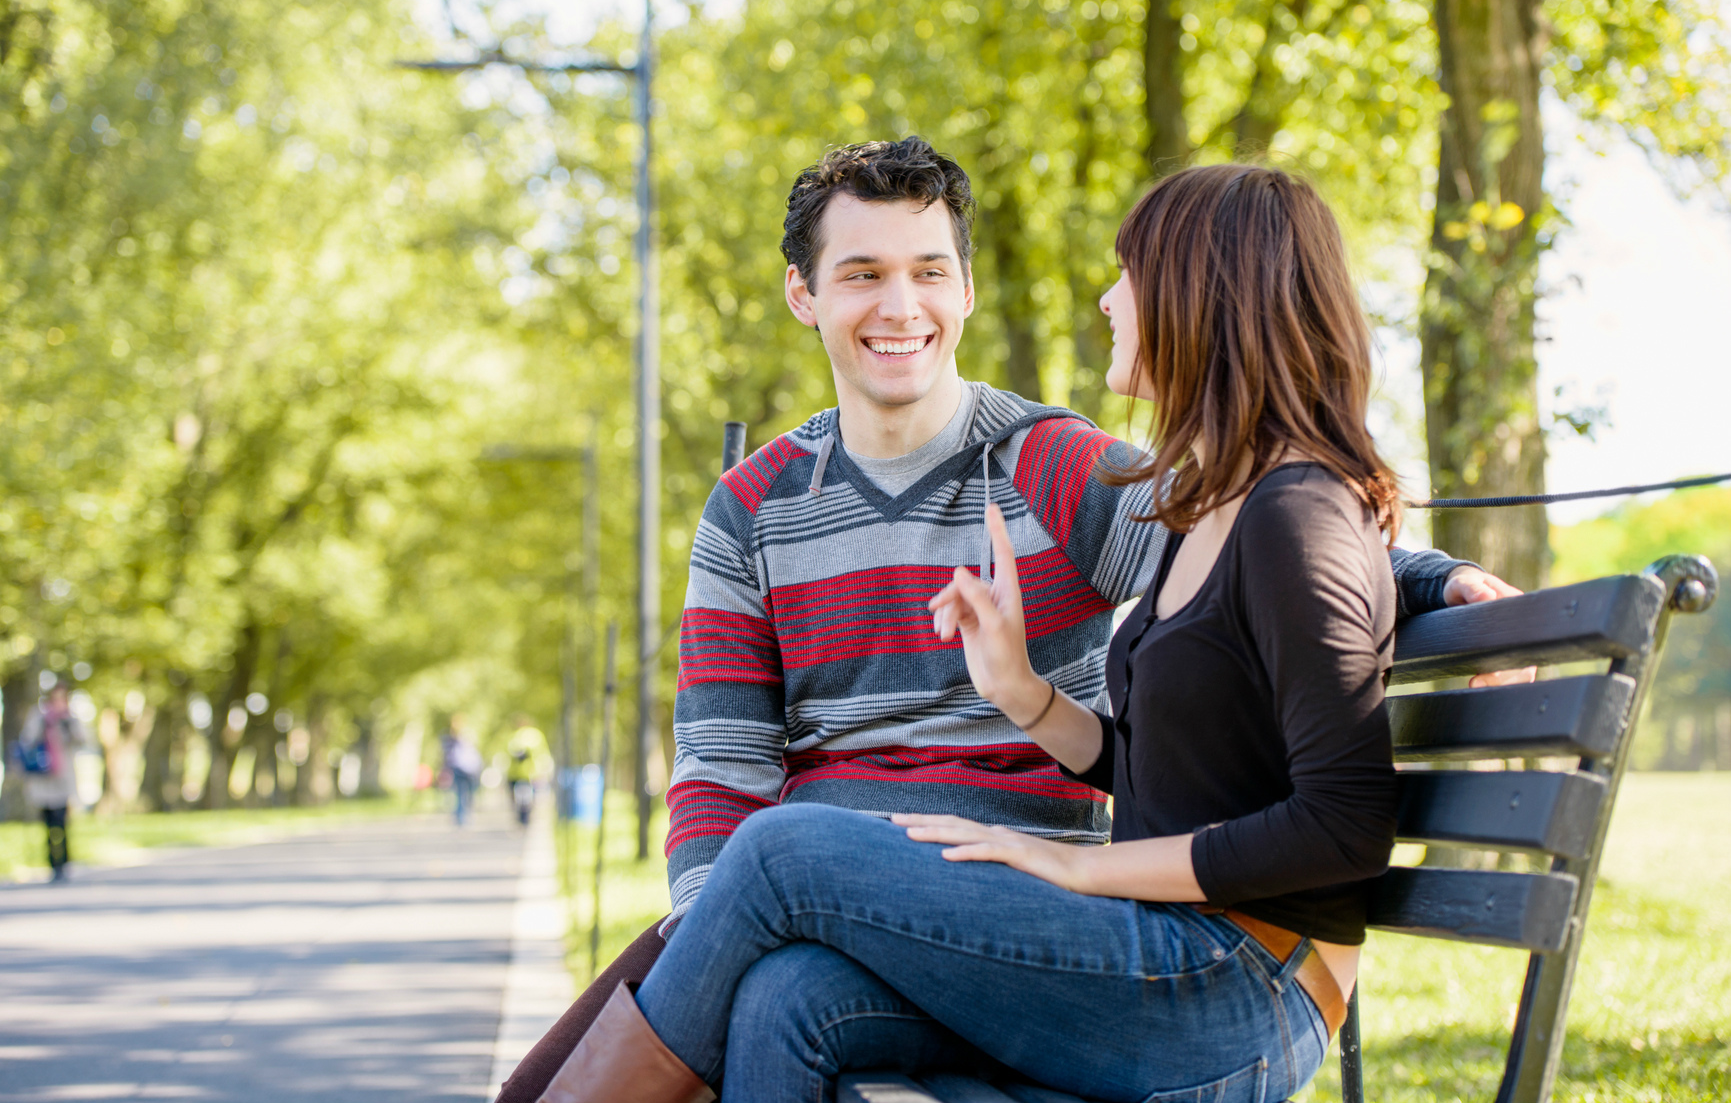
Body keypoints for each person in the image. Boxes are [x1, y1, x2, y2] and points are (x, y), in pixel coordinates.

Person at [502, 142, 1528, 1101]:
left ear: (967, 290)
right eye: (862, 273)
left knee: (780, 855)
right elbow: (721, 767)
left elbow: (1291, 564)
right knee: (781, 985)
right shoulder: (752, 509)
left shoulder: (1059, 465)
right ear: (803, 296)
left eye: (929, 271)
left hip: (1067, 923)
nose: (900, 303)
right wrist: (717, 934)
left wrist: (1440, 580)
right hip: (884, 912)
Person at [19, 682, 86, 882]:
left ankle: (64, 863)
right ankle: (52, 864)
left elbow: (82, 740)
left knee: (62, 821)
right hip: (43, 777)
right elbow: (27, 740)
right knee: (48, 822)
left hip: (62, 778)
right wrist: (44, 725)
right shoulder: (38, 716)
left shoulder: (70, 719)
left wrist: (67, 725)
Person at [506, 716, 552, 827]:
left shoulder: (516, 736)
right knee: (527, 799)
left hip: (522, 773)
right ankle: (524, 820)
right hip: (528, 772)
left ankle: (523, 820)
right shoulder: (536, 735)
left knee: (522, 799)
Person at [441, 715, 483, 827]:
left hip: (466, 769)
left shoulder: (455, 737)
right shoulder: (454, 738)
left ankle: (462, 816)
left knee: (464, 793)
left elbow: (447, 756)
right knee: (463, 793)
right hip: (463, 769)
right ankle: (461, 817)